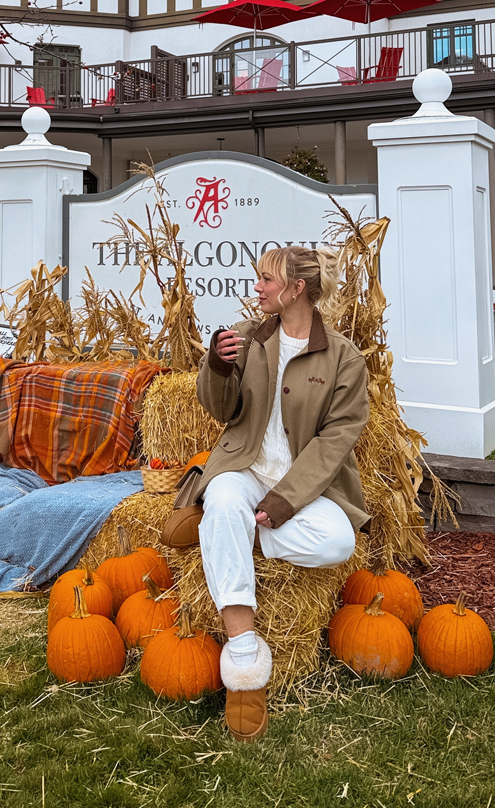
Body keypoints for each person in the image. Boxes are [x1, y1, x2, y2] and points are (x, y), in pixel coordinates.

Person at [182, 245, 369, 742]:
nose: (258, 287)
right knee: (223, 498)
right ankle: (243, 646)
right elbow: (220, 411)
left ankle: (224, 533)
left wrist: (287, 499)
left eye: (267, 279)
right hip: (244, 468)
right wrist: (217, 368)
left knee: (338, 542)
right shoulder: (244, 339)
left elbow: (338, 438)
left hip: (304, 486)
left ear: (296, 289)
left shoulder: (344, 358)